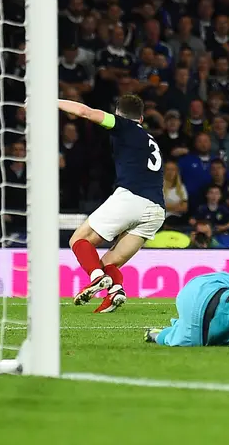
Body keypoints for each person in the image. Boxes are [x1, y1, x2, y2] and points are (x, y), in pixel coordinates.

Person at [60, 94, 166, 313]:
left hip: (132, 198)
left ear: (118, 114)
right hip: (156, 209)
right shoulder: (149, 139)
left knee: (78, 240)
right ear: (142, 118)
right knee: (110, 262)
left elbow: (84, 112)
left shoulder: (123, 126)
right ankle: (116, 290)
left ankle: (97, 278)